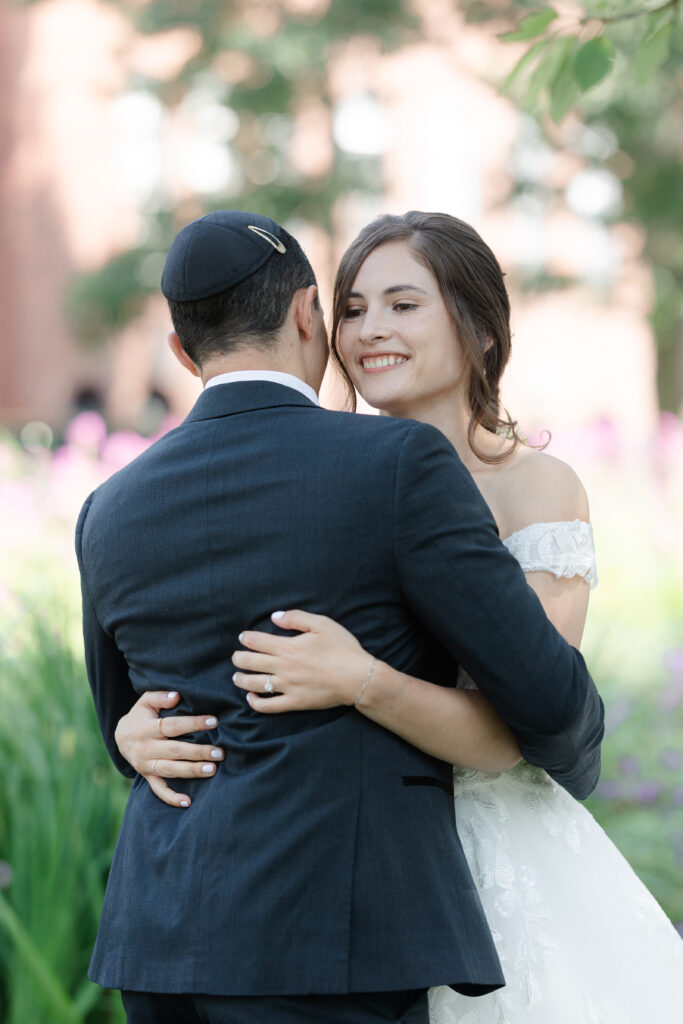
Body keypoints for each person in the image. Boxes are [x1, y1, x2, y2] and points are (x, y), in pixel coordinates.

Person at [118, 211, 683, 1021]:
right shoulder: (322, 474)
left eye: (402, 304)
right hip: (328, 877)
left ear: (480, 329)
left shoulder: (534, 489)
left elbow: (536, 717)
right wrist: (133, 733)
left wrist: (362, 681)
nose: (369, 329)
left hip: (486, 857)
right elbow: (216, 645)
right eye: (352, 307)